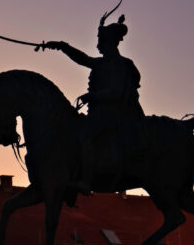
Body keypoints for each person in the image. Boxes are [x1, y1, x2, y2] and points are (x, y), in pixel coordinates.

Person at [43, 13, 144, 192]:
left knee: (85, 135)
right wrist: (61, 46)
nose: (98, 46)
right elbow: (83, 59)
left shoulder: (119, 64)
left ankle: (86, 181)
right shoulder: (102, 63)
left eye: (101, 42)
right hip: (99, 113)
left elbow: (116, 92)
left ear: (110, 43)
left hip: (112, 115)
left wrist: (92, 96)